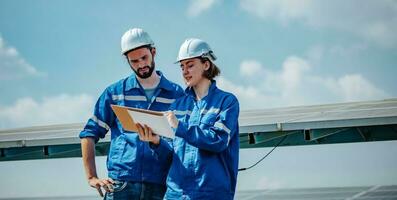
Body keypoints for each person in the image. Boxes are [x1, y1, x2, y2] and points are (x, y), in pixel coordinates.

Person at [79, 28, 184, 199]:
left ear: (154, 52)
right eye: (134, 61)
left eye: (144, 58)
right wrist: (91, 177)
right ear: (126, 60)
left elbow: (183, 143)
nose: (141, 64)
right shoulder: (115, 93)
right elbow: (89, 134)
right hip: (121, 185)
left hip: (161, 185)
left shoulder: (176, 94)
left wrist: (158, 142)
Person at [137, 38, 240, 199]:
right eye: (182, 66)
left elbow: (218, 140)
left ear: (206, 65)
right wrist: (156, 142)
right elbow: (170, 154)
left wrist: (180, 127)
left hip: (210, 194)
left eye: (190, 65)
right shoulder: (177, 106)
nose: (185, 71)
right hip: (176, 194)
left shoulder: (227, 102)